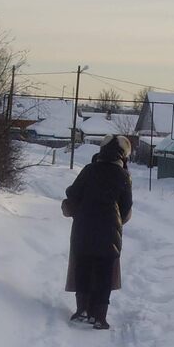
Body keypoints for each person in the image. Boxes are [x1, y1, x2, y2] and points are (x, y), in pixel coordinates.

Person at [62, 135, 133, 329]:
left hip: (83, 227)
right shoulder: (123, 176)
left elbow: (72, 193)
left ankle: (82, 309)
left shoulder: (89, 170)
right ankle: (99, 317)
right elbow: (126, 208)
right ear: (123, 155)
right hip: (110, 230)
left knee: (83, 267)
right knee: (104, 272)